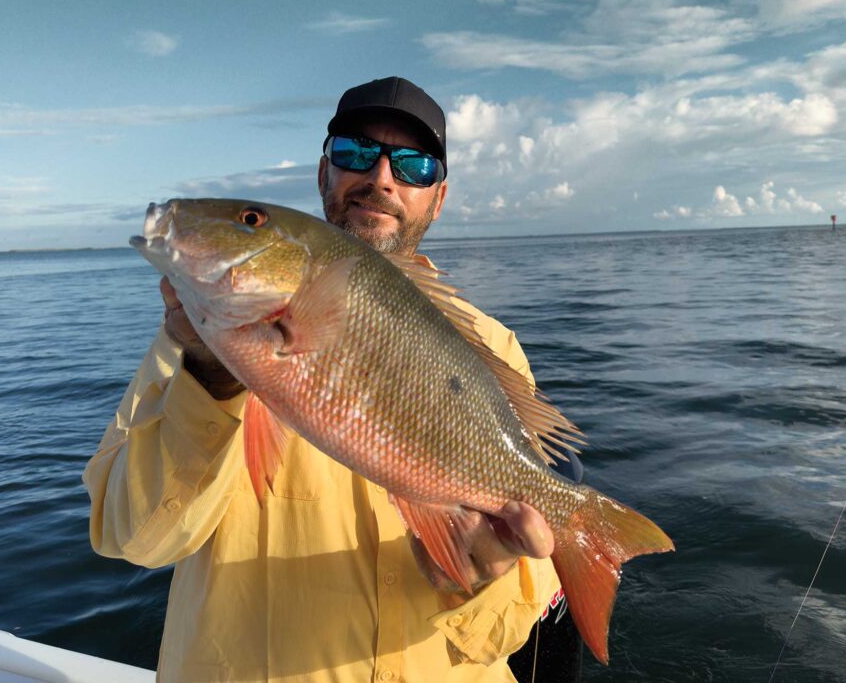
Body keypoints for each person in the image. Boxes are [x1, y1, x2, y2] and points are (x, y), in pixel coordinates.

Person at [84, 77, 571, 683]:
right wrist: (212, 377)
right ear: (324, 175)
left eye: (414, 165)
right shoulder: (198, 342)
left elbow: (513, 626)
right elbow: (134, 538)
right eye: (356, 153)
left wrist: (479, 583)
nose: (382, 178)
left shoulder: (491, 348)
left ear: (437, 198)